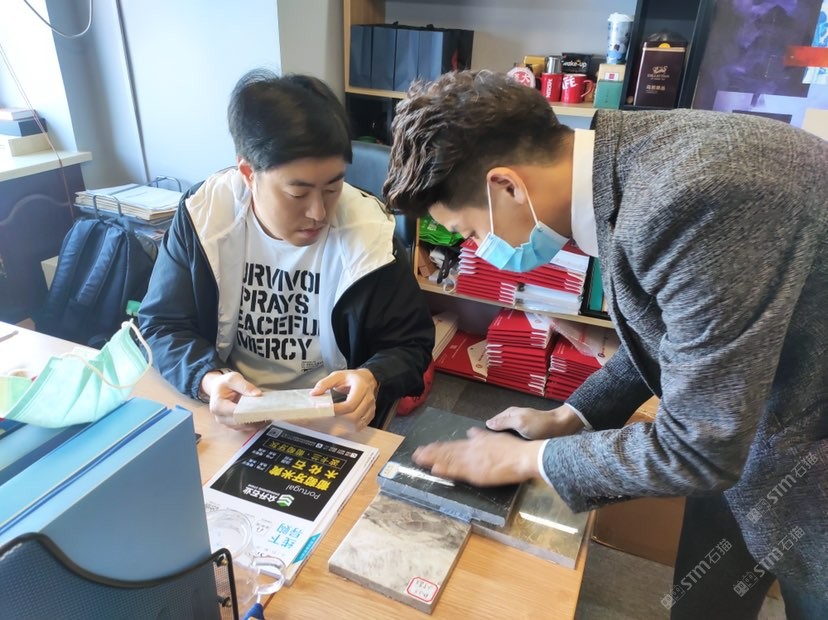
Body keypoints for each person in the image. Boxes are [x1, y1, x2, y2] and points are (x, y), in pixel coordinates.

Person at [383, 70, 827, 618]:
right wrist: (571, 416)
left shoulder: (686, 201)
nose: (477, 247)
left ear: (507, 187)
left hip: (801, 458)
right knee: (708, 601)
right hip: (744, 421)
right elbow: (677, 340)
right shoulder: (624, 162)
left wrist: (529, 458)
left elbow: (698, 451)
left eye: (470, 231)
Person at [138, 69, 433, 431]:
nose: (319, 212)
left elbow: (412, 344)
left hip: (332, 416)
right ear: (248, 173)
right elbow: (162, 324)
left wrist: (373, 377)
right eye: (298, 193)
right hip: (235, 410)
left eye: (333, 188)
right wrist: (209, 379)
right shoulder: (206, 216)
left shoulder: (369, 233)